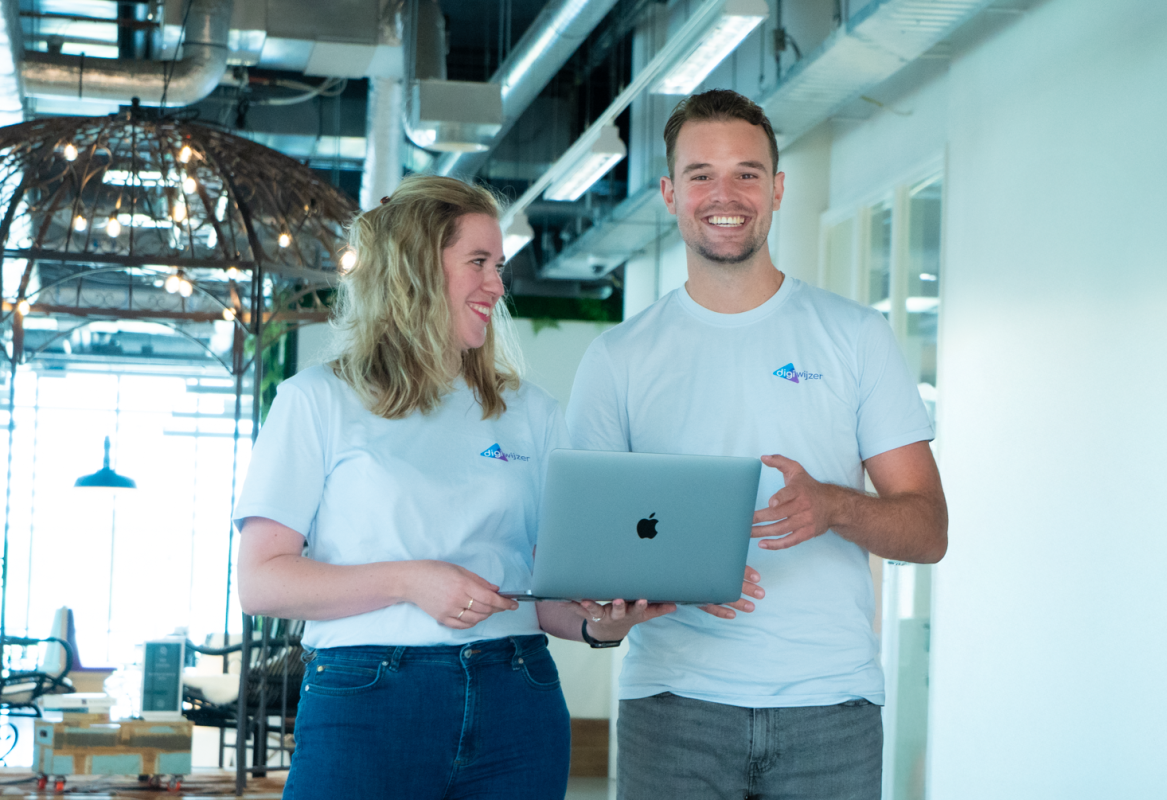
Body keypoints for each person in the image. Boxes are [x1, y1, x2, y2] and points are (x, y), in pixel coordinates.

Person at [565, 89, 949, 799]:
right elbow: (583, 551)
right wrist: (665, 578)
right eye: (700, 174)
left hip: (830, 709)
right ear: (668, 193)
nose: (724, 194)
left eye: (745, 173)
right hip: (672, 708)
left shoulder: (855, 335)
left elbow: (927, 530)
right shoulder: (618, 357)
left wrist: (836, 506)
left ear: (775, 190)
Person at [234, 175, 669, 800]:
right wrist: (410, 580)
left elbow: (546, 600)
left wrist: (606, 624)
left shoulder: (531, 412)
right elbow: (261, 581)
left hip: (518, 696)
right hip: (367, 699)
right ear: (416, 270)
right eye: (479, 263)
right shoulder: (316, 401)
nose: (497, 284)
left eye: (499, 265)